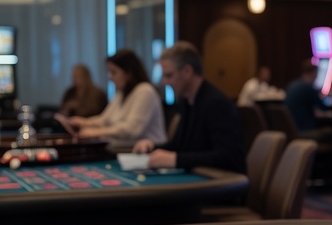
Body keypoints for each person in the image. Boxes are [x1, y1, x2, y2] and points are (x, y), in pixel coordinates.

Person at [133, 42, 246, 173]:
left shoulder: (216, 103)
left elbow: (228, 157)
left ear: (187, 71)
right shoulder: (187, 102)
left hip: (222, 186)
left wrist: (176, 159)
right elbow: (181, 147)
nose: (164, 82)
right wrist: (152, 147)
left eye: (169, 75)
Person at [58, 49, 167, 147]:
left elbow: (132, 130)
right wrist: (82, 121)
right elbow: (105, 119)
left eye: (113, 72)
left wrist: (97, 132)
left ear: (128, 73)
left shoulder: (145, 91)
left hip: (146, 151)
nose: (110, 78)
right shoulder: (122, 93)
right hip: (125, 149)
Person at [283, 59, 332, 137]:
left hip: (292, 130)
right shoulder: (308, 87)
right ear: (314, 74)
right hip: (305, 130)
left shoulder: (292, 84)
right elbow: (323, 107)